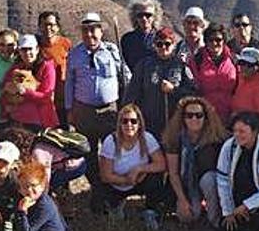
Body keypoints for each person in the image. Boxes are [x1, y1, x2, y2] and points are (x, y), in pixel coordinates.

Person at [65, 12, 131, 194]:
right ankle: (98, 189)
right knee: (88, 153)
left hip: (109, 111)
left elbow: (125, 75)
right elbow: (69, 82)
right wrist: (69, 109)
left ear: (101, 31)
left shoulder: (112, 51)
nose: (89, 34)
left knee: (113, 151)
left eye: (93, 30)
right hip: (83, 111)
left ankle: (115, 189)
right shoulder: (74, 55)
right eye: (85, 30)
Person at [94, 104, 167, 230]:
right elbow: (106, 176)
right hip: (115, 183)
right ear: (119, 124)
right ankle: (115, 206)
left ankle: (150, 211)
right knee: (96, 206)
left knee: (156, 177)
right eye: (124, 121)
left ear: (139, 123)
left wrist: (139, 169)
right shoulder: (111, 141)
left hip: (139, 180)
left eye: (133, 121)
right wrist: (126, 180)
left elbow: (161, 164)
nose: (129, 125)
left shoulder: (147, 137)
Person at [163, 96, 228, 228]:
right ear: (183, 118)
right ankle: (193, 204)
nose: (194, 119)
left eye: (199, 115)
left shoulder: (216, 138)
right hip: (186, 184)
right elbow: (173, 173)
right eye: (189, 115)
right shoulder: (175, 138)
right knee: (188, 217)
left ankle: (215, 218)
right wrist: (182, 200)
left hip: (209, 184)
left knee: (210, 179)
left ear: (206, 117)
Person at [123, 27, 196, 137]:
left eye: (167, 44)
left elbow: (192, 94)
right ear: (154, 45)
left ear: (174, 45)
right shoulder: (143, 65)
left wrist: (173, 90)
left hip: (175, 126)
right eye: (159, 44)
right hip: (148, 126)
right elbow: (131, 94)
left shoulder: (181, 66)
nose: (163, 47)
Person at [4, 160, 66, 231]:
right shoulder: (20, 197)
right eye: (25, 186)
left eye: (33, 185)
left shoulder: (44, 205)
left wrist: (22, 212)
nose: (29, 190)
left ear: (42, 186)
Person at [0, 34, 59, 130]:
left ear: (37, 49)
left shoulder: (47, 67)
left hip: (40, 121)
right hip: (17, 120)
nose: (27, 53)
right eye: (24, 49)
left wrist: (25, 91)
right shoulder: (16, 68)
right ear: (19, 51)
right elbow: (4, 87)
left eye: (30, 49)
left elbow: (46, 97)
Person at [188, 23, 237, 124]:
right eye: (211, 40)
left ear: (224, 41)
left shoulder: (234, 59)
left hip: (231, 118)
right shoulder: (197, 60)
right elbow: (193, 89)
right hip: (206, 118)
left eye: (218, 40)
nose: (215, 43)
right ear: (205, 41)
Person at [38, 11, 74, 125]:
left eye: (51, 25)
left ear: (57, 27)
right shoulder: (35, 47)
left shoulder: (66, 44)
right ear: (39, 27)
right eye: (44, 25)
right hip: (43, 100)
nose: (48, 28)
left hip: (62, 100)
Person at [120, 0, 164, 70]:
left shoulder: (162, 38)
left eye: (148, 15)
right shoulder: (127, 39)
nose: (144, 18)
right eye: (140, 15)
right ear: (135, 17)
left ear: (155, 17)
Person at [231, 47, 259, 126]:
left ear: (258, 66)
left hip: (249, 129)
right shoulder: (240, 78)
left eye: (249, 65)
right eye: (241, 63)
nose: (244, 67)